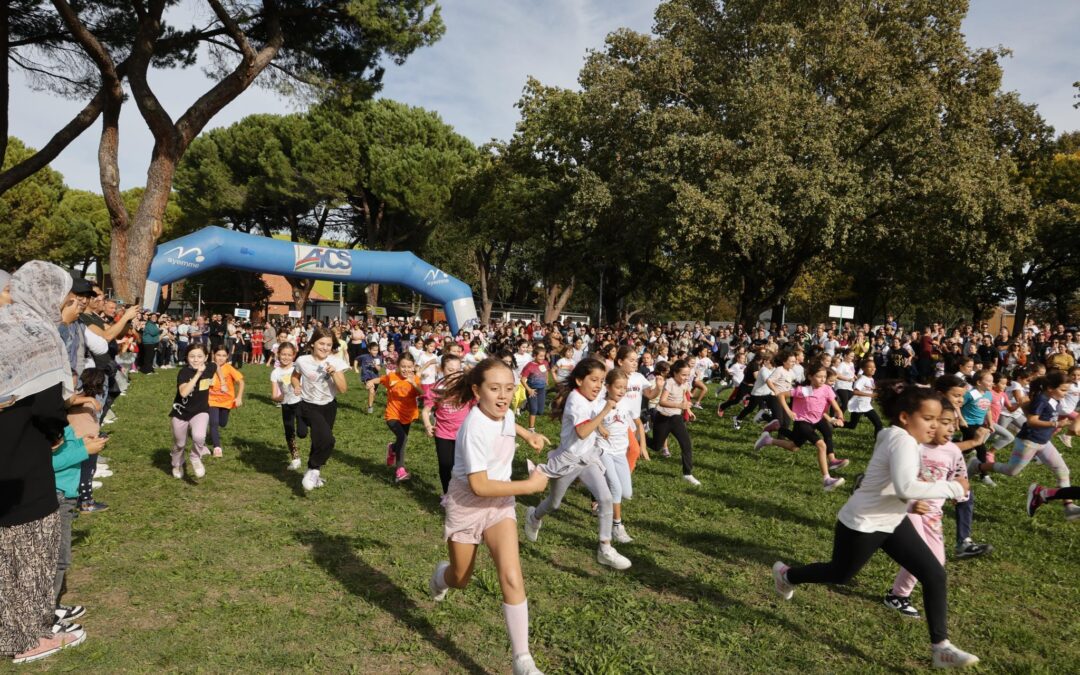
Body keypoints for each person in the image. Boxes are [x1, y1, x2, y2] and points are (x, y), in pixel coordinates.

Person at [771, 383, 979, 669]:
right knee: (840, 573)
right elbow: (906, 485)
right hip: (862, 524)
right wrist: (955, 488)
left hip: (892, 521)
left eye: (937, 420)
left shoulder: (895, 435)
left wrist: (907, 499)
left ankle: (940, 647)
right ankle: (787, 575)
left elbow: (898, 484)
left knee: (934, 575)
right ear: (905, 417)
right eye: (928, 419)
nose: (934, 426)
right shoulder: (902, 440)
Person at [426, 358, 550, 675]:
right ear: (476, 390)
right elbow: (479, 486)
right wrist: (530, 486)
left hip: (500, 504)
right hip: (468, 503)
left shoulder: (504, 413)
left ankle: (522, 659)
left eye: (509, 388)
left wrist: (528, 435)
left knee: (511, 575)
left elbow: (509, 420)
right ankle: (442, 576)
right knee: (461, 578)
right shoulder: (473, 429)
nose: (503, 396)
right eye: (494, 389)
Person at [0, 261, 88, 662]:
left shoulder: (4, 322)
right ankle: (26, 638)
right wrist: (56, 436)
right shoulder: (36, 332)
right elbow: (49, 407)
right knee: (29, 548)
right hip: (21, 460)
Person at [523, 359, 632, 570]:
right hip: (568, 460)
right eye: (594, 380)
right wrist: (604, 413)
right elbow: (582, 432)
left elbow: (601, 402)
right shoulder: (575, 400)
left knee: (606, 498)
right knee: (554, 504)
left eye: (601, 381)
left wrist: (603, 419)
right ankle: (533, 516)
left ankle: (605, 548)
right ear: (580, 380)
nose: (598, 385)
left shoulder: (593, 394)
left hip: (588, 457)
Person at [883, 405, 968, 618]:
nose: (952, 429)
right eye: (946, 423)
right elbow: (893, 478)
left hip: (933, 513)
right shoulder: (913, 446)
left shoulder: (953, 451)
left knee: (936, 562)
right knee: (919, 555)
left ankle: (896, 595)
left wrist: (960, 496)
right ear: (930, 423)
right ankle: (899, 595)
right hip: (908, 509)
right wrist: (910, 501)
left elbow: (960, 476)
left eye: (954, 424)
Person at [969, 370, 1078, 521]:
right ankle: (978, 466)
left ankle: (1069, 507)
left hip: (1044, 442)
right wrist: (1056, 423)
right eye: (1063, 390)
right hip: (1029, 441)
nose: (1065, 393)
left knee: (1063, 470)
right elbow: (1032, 421)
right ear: (1050, 388)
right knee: (1011, 471)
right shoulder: (1042, 399)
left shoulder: (1053, 399)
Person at [754, 363, 850, 491]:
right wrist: (788, 411)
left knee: (794, 447)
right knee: (821, 445)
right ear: (810, 377)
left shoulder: (827, 389)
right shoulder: (804, 390)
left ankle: (768, 440)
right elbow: (781, 395)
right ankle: (827, 479)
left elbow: (837, 408)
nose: (822, 379)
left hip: (817, 419)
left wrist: (839, 418)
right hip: (803, 421)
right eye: (819, 376)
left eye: (824, 377)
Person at [293, 328, 349, 492]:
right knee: (328, 440)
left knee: (319, 440)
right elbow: (295, 377)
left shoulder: (336, 362)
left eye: (329, 345)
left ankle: (312, 473)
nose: (325, 348)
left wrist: (333, 373)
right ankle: (314, 469)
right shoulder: (302, 360)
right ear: (312, 344)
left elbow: (343, 389)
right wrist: (297, 386)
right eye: (321, 344)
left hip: (329, 406)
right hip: (308, 405)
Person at [368, 352, 423, 483]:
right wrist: (370, 382)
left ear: (414, 367)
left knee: (401, 441)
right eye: (403, 366)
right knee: (403, 438)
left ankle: (392, 448)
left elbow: (423, 394)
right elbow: (379, 379)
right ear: (397, 366)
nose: (406, 369)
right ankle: (400, 470)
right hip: (392, 414)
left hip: (408, 415)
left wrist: (413, 384)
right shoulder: (391, 377)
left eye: (409, 367)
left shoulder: (415, 379)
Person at [648, 359, 703, 486]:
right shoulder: (670, 383)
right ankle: (640, 438)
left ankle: (687, 474)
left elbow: (683, 396)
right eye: (683, 375)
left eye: (688, 375)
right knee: (656, 446)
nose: (686, 377)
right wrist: (680, 405)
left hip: (676, 418)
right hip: (663, 418)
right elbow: (662, 401)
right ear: (675, 373)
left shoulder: (684, 383)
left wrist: (688, 410)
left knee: (686, 444)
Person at [596, 369, 636, 543]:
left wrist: (638, 444)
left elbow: (632, 425)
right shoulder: (599, 404)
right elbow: (589, 421)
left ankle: (602, 495)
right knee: (616, 489)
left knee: (626, 493)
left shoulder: (626, 405)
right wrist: (600, 427)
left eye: (624, 388)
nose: (621, 391)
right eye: (618, 387)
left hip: (621, 452)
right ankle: (617, 526)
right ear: (608, 387)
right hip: (604, 450)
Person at [422, 354, 470, 493]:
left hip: (463, 434)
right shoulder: (438, 388)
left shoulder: (466, 389)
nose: (454, 373)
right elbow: (425, 411)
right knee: (445, 465)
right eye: (450, 370)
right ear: (442, 369)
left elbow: (476, 408)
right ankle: (447, 494)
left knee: (462, 466)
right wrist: (427, 426)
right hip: (442, 433)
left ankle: (462, 494)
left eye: (457, 369)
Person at [169, 345, 216, 480]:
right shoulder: (184, 372)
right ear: (187, 358)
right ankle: (177, 464)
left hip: (200, 410)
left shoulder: (211, 367)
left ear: (206, 357)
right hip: (180, 413)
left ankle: (195, 457)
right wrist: (198, 375)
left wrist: (222, 381)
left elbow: (217, 367)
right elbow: (183, 393)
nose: (196, 360)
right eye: (192, 356)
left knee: (199, 437)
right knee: (180, 444)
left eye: (200, 356)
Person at [270, 342, 307, 470]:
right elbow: (274, 395)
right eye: (283, 354)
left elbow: (307, 383)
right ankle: (295, 458)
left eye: (289, 355)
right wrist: (279, 397)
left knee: (302, 433)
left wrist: (299, 388)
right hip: (286, 405)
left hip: (300, 403)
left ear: (294, 355)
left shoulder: (298, 368)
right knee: (289, 432)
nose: (286, 357)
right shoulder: (275, 373)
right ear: (278, 354)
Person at [208, 346, 245, 458]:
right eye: (218, 355)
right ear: (213, 354)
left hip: (227, 401)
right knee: (213, 423)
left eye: (224, 356)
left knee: (222, 423)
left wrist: (239, 397)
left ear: (227, 356)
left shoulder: (229, 368)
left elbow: (241, 382)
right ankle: (217, 448)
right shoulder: (208, 367)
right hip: (212, 400)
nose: (221, 358)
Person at [520, 345, 551, 432]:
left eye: (543, 356)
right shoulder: (529, 366)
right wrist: (529, 390)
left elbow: (546, 371)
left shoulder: (545, 363)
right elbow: (522, 380)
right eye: (540, 356)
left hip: (542, 389)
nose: (542, 358)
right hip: (532, 390)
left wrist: (547, 380)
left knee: (540, 411)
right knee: (533, 409)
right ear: (534, 355)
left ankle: (526, 405)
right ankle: (531, 429)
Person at [358, 342, 383, 414]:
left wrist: (375, 365)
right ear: (369, 350)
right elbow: (356, 359)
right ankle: (370, 408)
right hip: (367, 376)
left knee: (373, 393)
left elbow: (379, 369)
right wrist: (356, 367)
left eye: (377, 350)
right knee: (371, 390)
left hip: (376, 377)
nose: (375, 352)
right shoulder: (364, 357)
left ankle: (370, 404)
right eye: (374, 350)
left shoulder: (379, 357)